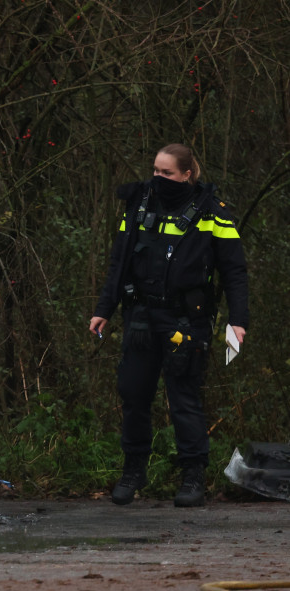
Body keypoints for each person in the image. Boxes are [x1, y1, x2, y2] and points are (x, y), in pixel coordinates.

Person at [89, 143, 249, 507]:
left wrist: (238, 321)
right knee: (133, 395)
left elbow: (235, 272)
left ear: (187, 174)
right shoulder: (139, 203)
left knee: (184, 400)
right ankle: (133, 471)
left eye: (167, 173)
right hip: (140, 316)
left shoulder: (212, 212)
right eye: (156, 171)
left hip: (185, 321)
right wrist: (104, 308)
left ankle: (193, 476)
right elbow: (119, 261)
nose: (158, 178)